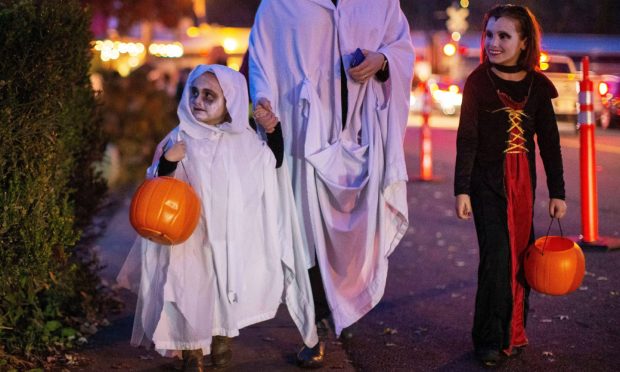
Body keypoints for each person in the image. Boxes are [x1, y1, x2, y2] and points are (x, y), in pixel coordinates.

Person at [117, 64, 317, 371]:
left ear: (230, 103)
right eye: (194, 92)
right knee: (186, 291)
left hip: (227, 236)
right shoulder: (179, 136)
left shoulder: (245, 141)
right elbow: (156, 184)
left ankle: (222, 339)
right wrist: (169, 163)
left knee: (223, 288)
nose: (197, 100)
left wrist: (274, 130)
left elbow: (270, 163)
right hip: (187, 239)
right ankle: (191, 352)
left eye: (209, 96)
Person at [249, 0, 414, 367]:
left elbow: (400, 47)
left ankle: (344, 303)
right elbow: (261, 59)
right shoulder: (280, 5)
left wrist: (383, 61)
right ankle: (316, 326)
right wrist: (263, 102)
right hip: (302, 138)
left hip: (360, 137)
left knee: (354, 234)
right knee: (306, 233)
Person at [454, 4, 567, 367]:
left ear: (523, 42)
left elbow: (549, 143)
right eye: (489, 34)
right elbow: (467, 138)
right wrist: (462, 189)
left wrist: (558, 192)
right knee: (497, 259)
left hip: (523, 187)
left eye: (504, 36)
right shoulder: (478, 83)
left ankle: (514, 332)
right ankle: (488, 338)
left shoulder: (537, 86)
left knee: (520, 259)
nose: (494, 43)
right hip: (488, 185)